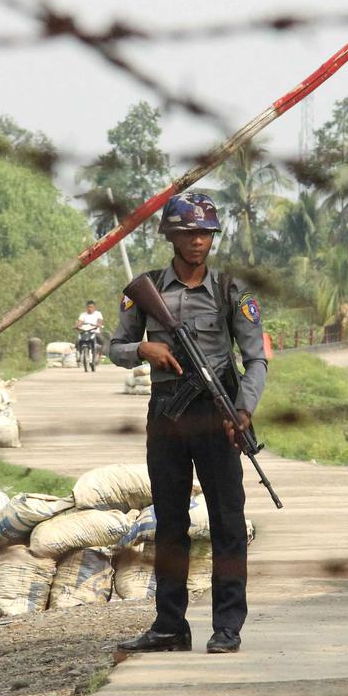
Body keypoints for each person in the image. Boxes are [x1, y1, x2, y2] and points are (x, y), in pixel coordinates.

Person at [108, 192, 268, 654]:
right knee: (171, 521)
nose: (198, 241)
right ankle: (170, 625)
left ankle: (227, 627)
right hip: (166, 413)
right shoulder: (147, 289)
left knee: (227, 521)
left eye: (206, 233)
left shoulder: (230, 290)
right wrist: (144, 350)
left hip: (217, 414)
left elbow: (255, 359)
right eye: (189, 233)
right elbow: (116, 347)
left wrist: (243, 410)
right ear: (171, 236)